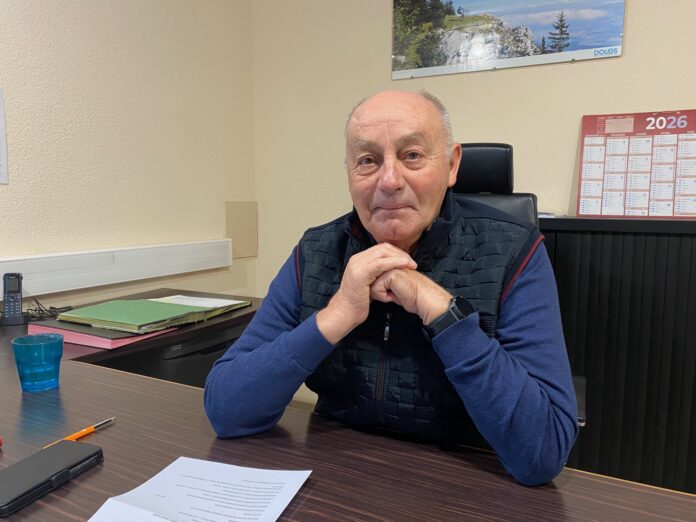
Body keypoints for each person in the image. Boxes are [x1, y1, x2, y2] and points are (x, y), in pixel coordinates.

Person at [205, 90, 578, 486]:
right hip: (336, 477)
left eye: (412, 155)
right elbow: (227, 410)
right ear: (349, 172)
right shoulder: (316, 251)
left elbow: (542, 452)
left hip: (469, 483)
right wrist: (336, 315)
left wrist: (443, 313)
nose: (389, 180)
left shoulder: (513, 250)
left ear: (452, 165)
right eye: (367, 160)